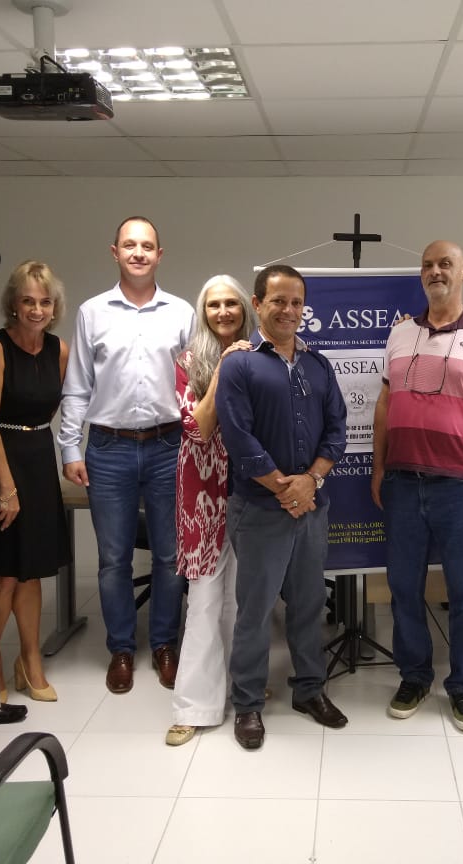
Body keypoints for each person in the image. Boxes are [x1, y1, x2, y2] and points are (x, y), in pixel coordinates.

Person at [371, 240, 463, 734]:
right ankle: (414, 677)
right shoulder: (400, 333)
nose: (436, 271)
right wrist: (378, 468)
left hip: (460, 487)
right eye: (428, 265)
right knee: (403, 588)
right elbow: (385, 406)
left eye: (445, 264)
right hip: (402, 483)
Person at [215, 264, 349, 750]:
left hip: (311, 506)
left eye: (296, 302)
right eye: (278, 301)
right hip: (259, 510)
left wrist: (310, 482)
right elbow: (238, 437)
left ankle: (309, 690)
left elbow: (337, 429)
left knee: (309, 604)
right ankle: (248, 702)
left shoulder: (318, 365)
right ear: (258, 304)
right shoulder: (240, 364)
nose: (289, 310)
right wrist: (283, 488)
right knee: (255, 610)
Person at [59, 216, 195, 694]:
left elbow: (196, 384)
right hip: (109, 448)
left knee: (170, 556)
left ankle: (164, 644)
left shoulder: (181, 313)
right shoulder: (92, 312)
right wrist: (70, 446)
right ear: (114, 252)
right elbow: (77, 386)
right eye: (129, 245)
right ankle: (120, 647)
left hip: (168, 446)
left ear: (160, 255)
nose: (139, 253)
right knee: (113, 558)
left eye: (147, 246)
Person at [165, 276, 256, 747]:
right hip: (202, 492)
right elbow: (197, 429)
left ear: (245, 308)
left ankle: (243, 692)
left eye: (231, 303)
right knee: (204, 599)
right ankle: (194, 706)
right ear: (203, 312)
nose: (223, 312)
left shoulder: (263, 355)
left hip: (252, 489)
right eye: (214, 305)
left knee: (243, 599)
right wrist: (223, 369)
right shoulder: (188, 362)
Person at [0, 261, 72, 702]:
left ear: (54, 307)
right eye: (28, 301)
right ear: (13, 305)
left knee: (33, 571)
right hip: (2, 457)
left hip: (39, 456)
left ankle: (30, 659)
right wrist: (6, 487)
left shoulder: (60, 350)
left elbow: (52, 409)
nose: (37, 310)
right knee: (4, 574)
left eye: (45, 302)